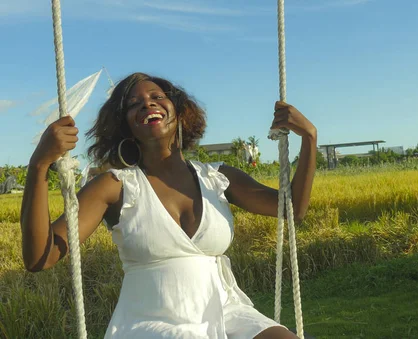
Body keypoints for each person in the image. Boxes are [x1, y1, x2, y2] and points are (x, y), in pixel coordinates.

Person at [20, 72, 317, 339]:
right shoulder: (114, 187)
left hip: (225, 312)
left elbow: (293, 209)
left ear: (179, 109)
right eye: (134, 104)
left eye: (156, 97)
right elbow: (39, 258)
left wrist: (309, 138)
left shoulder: (218, 177)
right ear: (125, 125)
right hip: (152, 323)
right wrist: (39, 165)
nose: (147, 104)